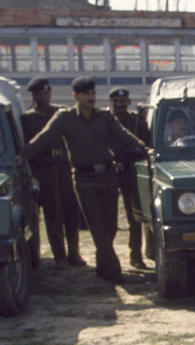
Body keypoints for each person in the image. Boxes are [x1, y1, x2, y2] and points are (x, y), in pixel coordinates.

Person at [23, 76, 148, 284]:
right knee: (98, 228)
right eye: (86, 94)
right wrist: (23, 156)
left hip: (108, 176)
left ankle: (102, 267)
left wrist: (145, 149)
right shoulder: (64, 118)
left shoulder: (105, 117)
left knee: (111, 228)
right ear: (76, 96)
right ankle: (114, 273)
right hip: (84, 179)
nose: (91, 97)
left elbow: (124, 135)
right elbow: (43, 138)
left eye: (92, 93)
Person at [20, 77, 84, 268]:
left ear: (50, 93)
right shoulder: (28, 119)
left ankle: (74, 253)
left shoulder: (61, 113)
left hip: (65, 167)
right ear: (33, 95)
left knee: (72, 211)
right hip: (45, 171)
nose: (42, 97)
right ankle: (60, 257)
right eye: (38, 93)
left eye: (45, 92)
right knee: (53, 213)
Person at [109, 88, 150, 269]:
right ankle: (108, 257)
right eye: (116, 101)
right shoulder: (104, 120)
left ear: (129, 101)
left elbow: (146, 142)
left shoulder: (136, 121)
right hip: (109, 172)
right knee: (108, 218)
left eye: (122, 101)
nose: (119, 105)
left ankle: (136, 255)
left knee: (135, 216)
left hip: (131, 172)